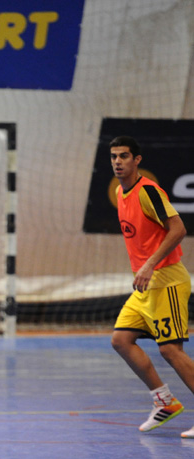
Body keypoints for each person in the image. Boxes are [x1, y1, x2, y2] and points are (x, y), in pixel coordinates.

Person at [108, 136, 194, 438]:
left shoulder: (149, 191)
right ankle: (164, 401)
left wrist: (149, 265)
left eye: (124, 156)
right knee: (121, 340)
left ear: (137, 160)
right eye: (114, 156)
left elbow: (178, 229)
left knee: (170, 349)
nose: (118, 161)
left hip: (167, 281)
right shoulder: (120, 191)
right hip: (145, 286)